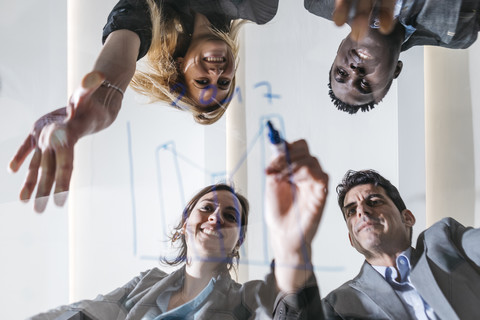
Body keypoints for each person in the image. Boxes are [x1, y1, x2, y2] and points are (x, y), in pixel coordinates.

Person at [8, 0, 279, 212]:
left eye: (202, 81)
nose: (216, 74)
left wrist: (106, 94)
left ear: (180, 66)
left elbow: (126, 40)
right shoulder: (257, 7)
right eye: (223, 83)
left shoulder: (154, 12)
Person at [29, 139, 328, 319]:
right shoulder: (145, 284)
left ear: (239, 241)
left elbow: (294, 311)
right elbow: (86, 313)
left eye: (230, 216)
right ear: (185, 223)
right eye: (207, 208)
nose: (215, 218)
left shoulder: (249, 299)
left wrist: (291, 249)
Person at [323, 169, 480, 319]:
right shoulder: (337, 304)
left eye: (374, 202)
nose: (362, 211)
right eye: (351, 211)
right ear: (352, 240)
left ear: (407, 218)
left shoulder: (444, 239)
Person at [305, 0, 480, 114]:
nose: (354, 71)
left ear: (340, 46)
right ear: (396, 70)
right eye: (365, 84)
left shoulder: (320, 2)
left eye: (342, 73)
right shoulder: (456, 32)